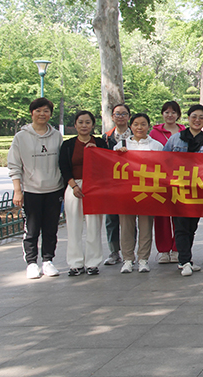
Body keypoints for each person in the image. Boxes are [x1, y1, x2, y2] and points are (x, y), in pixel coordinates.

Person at [9, 98, 64, 279]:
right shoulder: (21, 137)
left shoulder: (56, 136)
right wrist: (18, 190)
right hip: (32, 190)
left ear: (50, 114)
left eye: (46, 111)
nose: (42, 114)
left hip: (54, 189)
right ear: (32, 113)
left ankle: (48, 260)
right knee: (31, 229)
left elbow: (62, 161)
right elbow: (14, 165)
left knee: (51, 228)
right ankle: (31, 262)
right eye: (38, 110)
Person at [164, 104, 203, 276]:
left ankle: (187, 259)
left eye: (201, 117)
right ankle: (184, 261)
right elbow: (163, 161)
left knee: (192, 226)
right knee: (180, 226)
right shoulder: (175, 139)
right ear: (188, 118)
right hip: (178, 190)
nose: (197, 120)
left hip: (198, 191)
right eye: (194, 116)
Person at [59, 111, 108, 276]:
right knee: (73, 226)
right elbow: (64, 167)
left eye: (88, 122)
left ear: (93, 125)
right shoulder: (68, 145)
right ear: (75, 125)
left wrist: (97, 152)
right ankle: (75, 263)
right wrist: (73, 186)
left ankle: (92, 263)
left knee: (94, 226)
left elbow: (107, 165)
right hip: (75, 185)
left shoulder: (100, 143)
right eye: (80, 122)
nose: (84, 125)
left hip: (94, 187)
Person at [115, 113, 164, 274]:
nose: (139, 127)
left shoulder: (156, 146)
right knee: (126, 227)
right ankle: (128, 259)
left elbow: (163, 168)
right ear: (131, 126)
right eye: (136, 124)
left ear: (148, 126)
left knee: (145, 227)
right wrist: (119, 155)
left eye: (143, 124)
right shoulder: (121, 145)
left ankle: (143, 259)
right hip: (126, 193)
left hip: (147, 192)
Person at [150, 100, 185, 265]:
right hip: (160, 179)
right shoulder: (154, 133)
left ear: (178, 115)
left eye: (173, 112)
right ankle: (163, 250)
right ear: (162, 114)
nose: (170, 115)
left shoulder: (184, 131)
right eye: (167, 112)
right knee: (162, 215)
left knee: (179, 214)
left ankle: (177, 249)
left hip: (181, 178)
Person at [102, 103, 132, 266]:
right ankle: (114, 252)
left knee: (130, 220)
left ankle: (131, 251)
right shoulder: (106, 138)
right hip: (111, 184)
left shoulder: (136, 135)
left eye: (124, 114)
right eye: (117, 114)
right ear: (112, 117)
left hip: (132, 184)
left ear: (129, 117)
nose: (120, 117)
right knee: (111, 219)